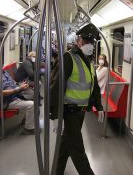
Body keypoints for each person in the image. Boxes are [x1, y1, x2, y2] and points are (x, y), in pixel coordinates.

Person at [50, 23, 104, 175]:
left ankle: (56, 171)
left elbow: (94, 85)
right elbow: (55, 87)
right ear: (78, 40)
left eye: (92, 42)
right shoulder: (68, 58)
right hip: (69, 112)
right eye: (86, 41)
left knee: (65, 145)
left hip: (81, 111)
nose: (90, 45)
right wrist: (54, 115)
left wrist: (99, 106)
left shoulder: (88, 60)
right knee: (78, 149)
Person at [0, 54, 35, 134]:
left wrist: (20, 86)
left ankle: (27, 120)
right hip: (5, 101)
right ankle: (28, 129)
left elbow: (12, 83)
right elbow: (2, 93)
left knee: (32, 94)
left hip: (13, 95)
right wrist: (19, 89)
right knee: (31, 104)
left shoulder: (2, 71)